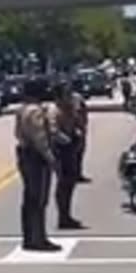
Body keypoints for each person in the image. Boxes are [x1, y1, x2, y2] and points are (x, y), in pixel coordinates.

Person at [14, 77, 59, 252]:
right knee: (39, 199)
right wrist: (51, 158)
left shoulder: (21, 110)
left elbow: (17, 133)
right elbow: (40, 138)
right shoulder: (36, 111)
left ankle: (28, 237)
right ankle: (38, 239)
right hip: (36, 157)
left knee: (29, 199)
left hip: (24, 154)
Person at [51, 81, 85, 230]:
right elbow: (53, 131)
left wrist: (78, 133)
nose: (70, 96)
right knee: (63, 184)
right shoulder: (54, 110)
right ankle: (62, 217)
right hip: (60, 150)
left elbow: (77, 124)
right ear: (59, 96)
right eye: (66, 93)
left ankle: (67, 215)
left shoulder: (69, 109)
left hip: (70, 149)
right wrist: (67, 140)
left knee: (70, 184)